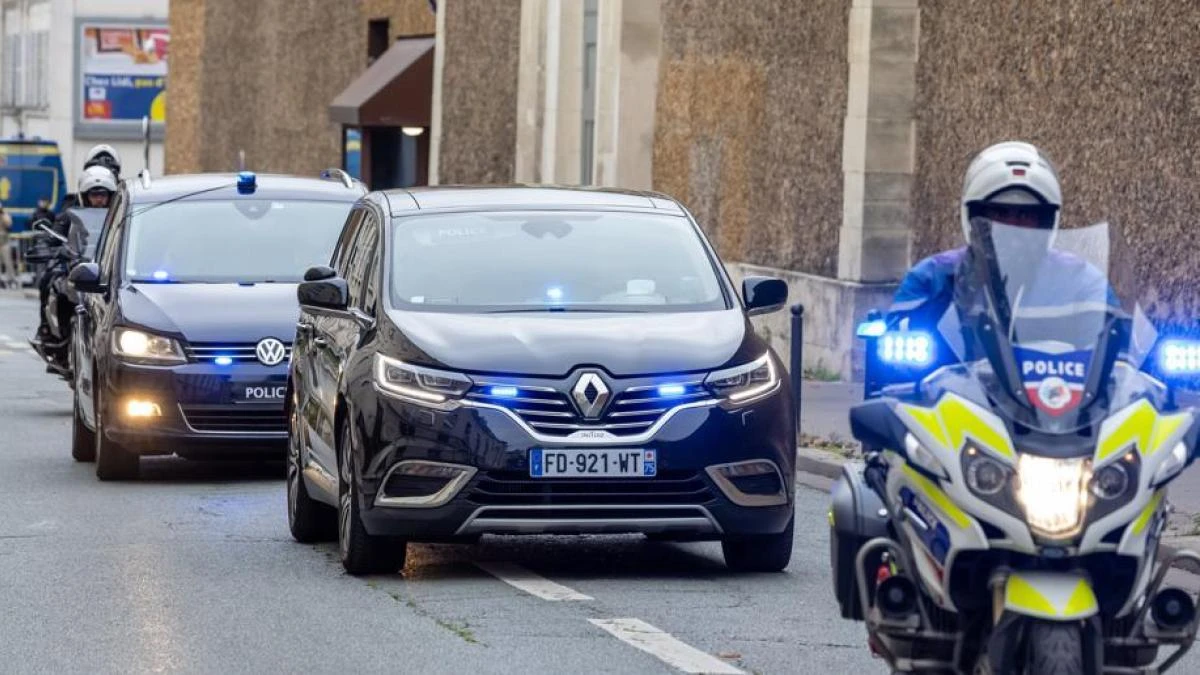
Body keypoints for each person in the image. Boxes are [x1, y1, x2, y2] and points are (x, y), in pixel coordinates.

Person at [34, 166, 117, 343]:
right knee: (50, 281)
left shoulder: (119, 218)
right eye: (94, 195)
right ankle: (47, 329)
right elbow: (53, 236)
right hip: (78, 263)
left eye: (103, 195)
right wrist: (49, 247)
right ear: (85, 195)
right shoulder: (70, 215)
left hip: (110, 270)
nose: (99, 199)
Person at [0, 201, 16, 289]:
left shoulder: (5, 215)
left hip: (4, 242)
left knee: (8, 262)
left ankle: (11, 279)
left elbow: (9, 225)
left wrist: (3, 216)